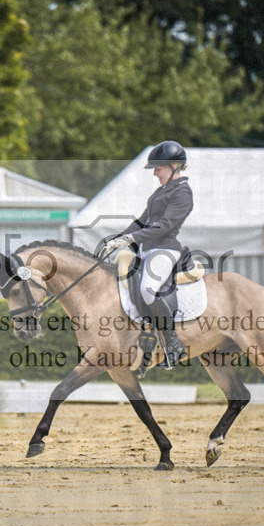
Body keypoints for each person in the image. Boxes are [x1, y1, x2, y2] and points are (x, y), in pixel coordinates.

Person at [102, 140, 193, 368]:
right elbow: (142, 222)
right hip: (146, 249)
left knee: (147, 289)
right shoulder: (161, 191)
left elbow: (164, 225)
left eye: (158, 168)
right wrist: (117, 239)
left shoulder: (183, 193)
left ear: (174, 166)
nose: (155, 173)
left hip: (164, 249)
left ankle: (173, 343)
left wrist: (130, 239)